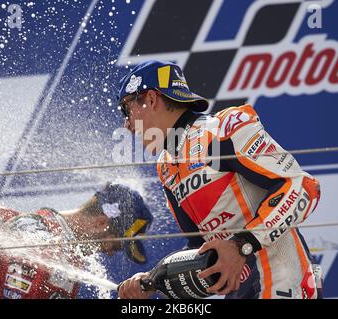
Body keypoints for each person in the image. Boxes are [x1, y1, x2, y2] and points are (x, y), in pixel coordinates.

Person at [116, 60, 322, 299]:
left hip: (284, 283)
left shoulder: (222, 129)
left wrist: (241, 245)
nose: (127, 125)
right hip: (239, 292)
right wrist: (153, 282)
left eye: (126, 109)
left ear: (151, 99)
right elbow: (199, 250)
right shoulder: (166, 168)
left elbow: (302, 186)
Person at [0, 183, 152, 299]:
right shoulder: (36, 235)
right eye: (115, 244)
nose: (110, 251)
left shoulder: (68, 251)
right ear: (101, 223)